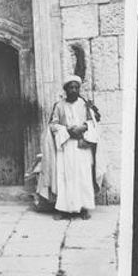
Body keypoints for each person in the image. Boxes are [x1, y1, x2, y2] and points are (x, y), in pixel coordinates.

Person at [41, 75, 101, 219]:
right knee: (65, 177)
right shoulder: (59, 106)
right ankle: (63, 209)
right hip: (66, 146)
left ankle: (84, 208)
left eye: (76, 87)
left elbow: (93, 121)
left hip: (82, 145)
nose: (74, 90)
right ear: (66, 89)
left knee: (83, 176)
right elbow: (53, 125)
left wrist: (83, 127)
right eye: (71, 87)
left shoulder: (85, 104)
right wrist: (67, 130)